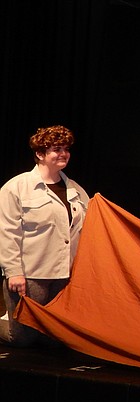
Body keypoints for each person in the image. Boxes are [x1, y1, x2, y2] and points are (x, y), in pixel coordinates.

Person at [0, 125, 89, 347]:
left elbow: (87, 229)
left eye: (66, 149)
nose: (63, 154)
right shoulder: (16, 187)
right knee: (22, 338)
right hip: (32, 274)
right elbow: (8, 232)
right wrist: (14, 272)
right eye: (56, 149)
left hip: (64, 275)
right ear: (40, 154)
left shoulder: (76, 190)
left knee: (53, 337)